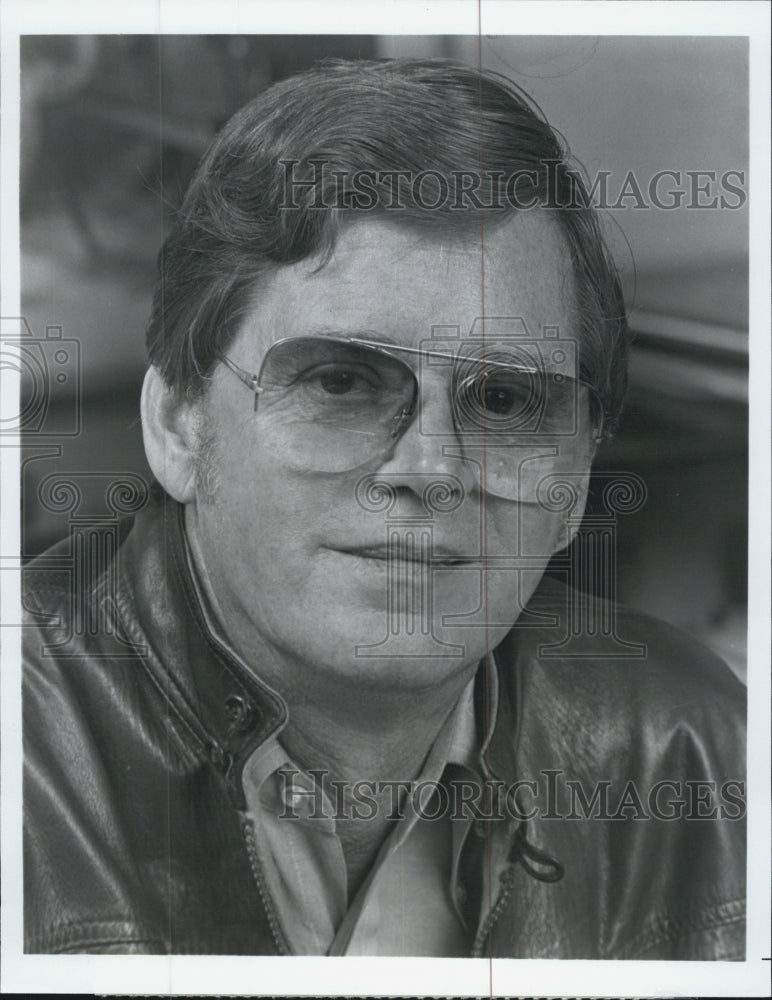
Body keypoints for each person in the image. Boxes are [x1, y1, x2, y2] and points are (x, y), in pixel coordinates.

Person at [22, 57, 746, 958]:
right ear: (178, 426)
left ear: (577, 482)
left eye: (508, 402)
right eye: (339, 381)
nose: (432, 467)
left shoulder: (696, 750)